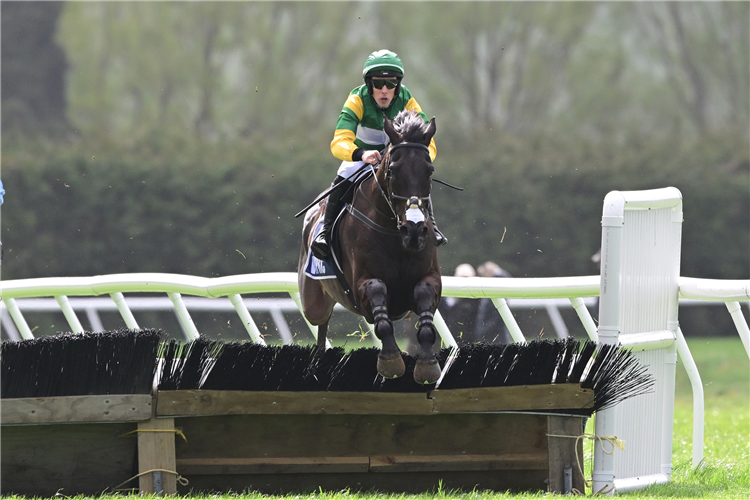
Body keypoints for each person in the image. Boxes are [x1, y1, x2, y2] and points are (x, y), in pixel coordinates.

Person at [310, 49, 446, 260]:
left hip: (396, 158)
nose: (384, 90)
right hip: (363, 158)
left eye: (390, 84)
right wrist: (361, 154)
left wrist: (414, 158)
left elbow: (429, 143)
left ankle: (433, 227)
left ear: (397, 85)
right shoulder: (356, 100)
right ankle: (325, 234)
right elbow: (338, 142)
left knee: (415, 178)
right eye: (377, 84)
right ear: (368, 84)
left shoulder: (407, 99)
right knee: (343, 178)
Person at [438, 264, 479, 345]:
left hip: (470, 339)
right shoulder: (446, 297)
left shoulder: (477, 299)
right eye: (461, 278)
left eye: (466, 278)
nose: (464, 281)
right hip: (448, 337)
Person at [475, 261, 513, 344]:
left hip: (497, 335)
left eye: (483, 275)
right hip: (490, 334)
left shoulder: (498, 283)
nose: (482, 277)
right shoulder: (490, 287)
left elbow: (508, 280)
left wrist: (485, 329)